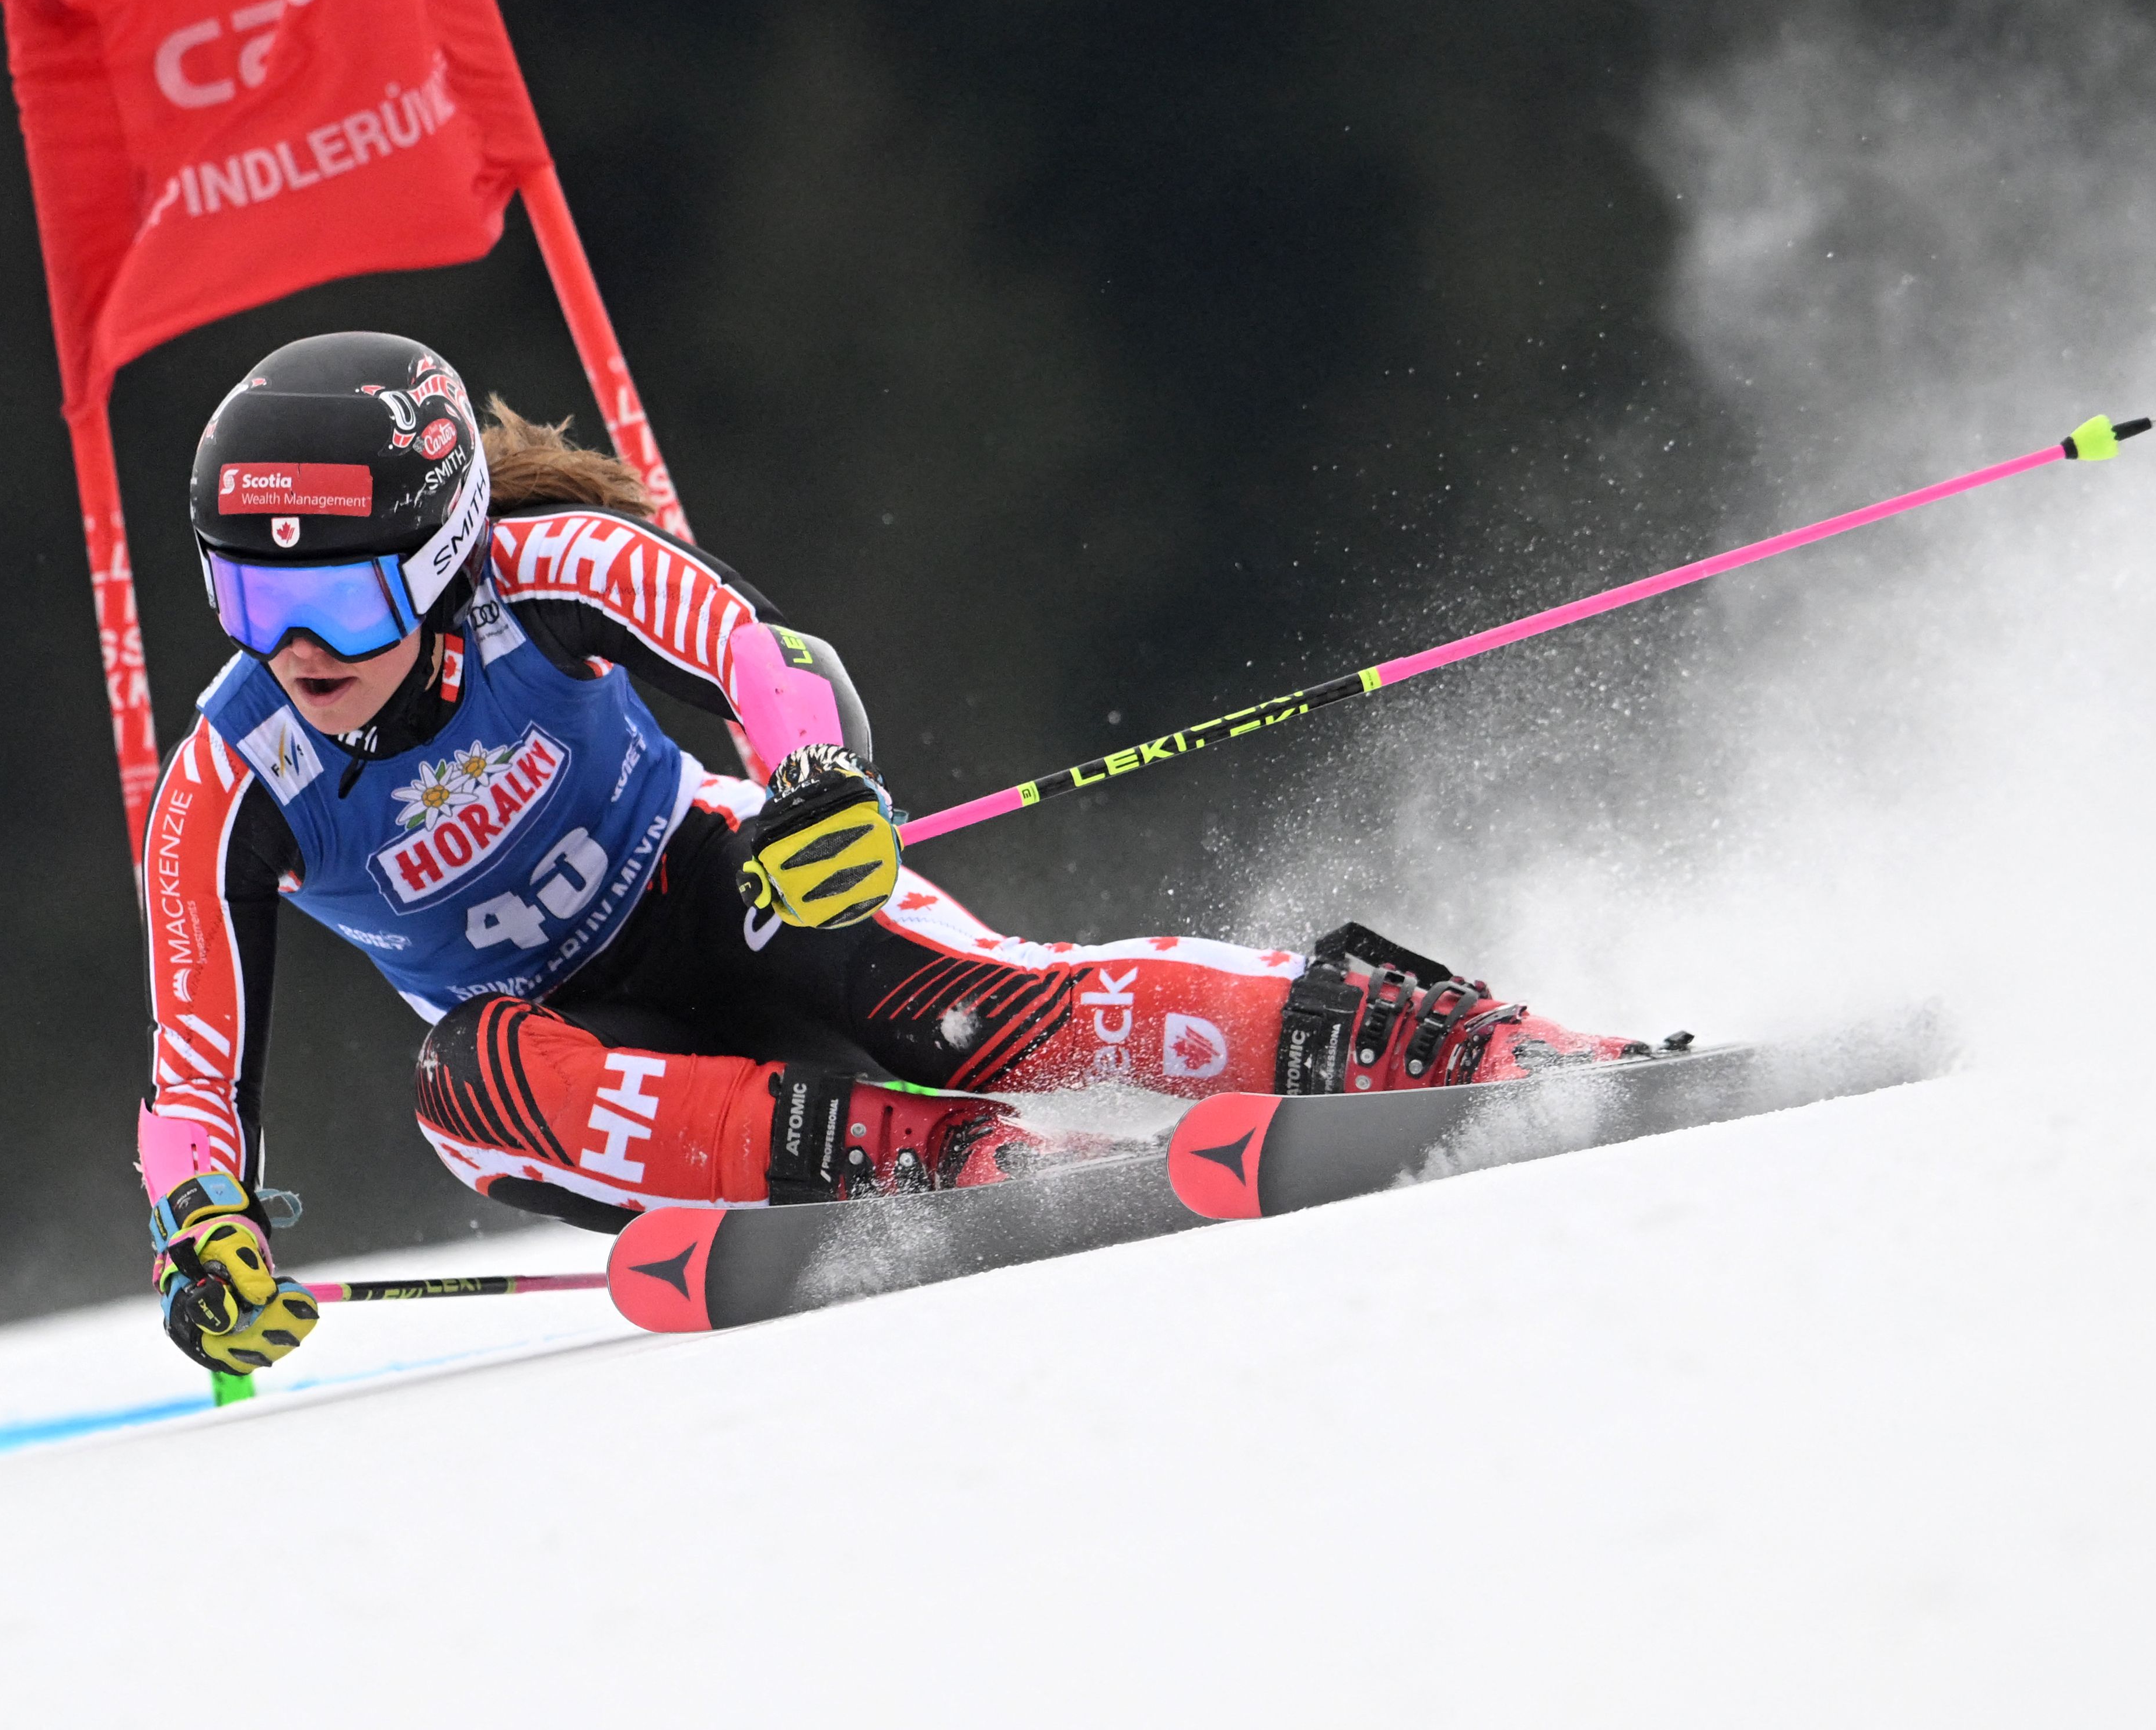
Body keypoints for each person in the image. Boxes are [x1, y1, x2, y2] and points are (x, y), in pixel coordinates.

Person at [135, 331, 1649, 1375]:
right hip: (576, 1074)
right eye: (250, 610)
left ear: (449, 551)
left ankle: (1432, 1038)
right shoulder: (223, 780)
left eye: (337, 605)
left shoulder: (550, 575)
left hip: (724, 895)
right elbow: (189, 1074)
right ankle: (957, 1165)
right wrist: (196, 1231)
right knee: (460, 1079)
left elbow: (759, 652)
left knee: (999, 1010)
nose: (296, 654)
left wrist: (815, 781)